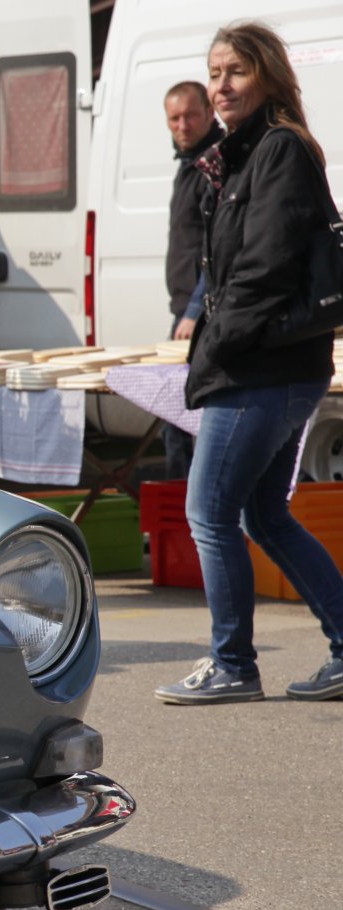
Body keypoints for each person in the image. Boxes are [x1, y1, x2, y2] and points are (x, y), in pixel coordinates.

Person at [155, 21, 343, 705]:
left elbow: (263, 270)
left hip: (263, 367)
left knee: (209, 512)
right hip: (270, 363)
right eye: (215, 74)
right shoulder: (240, 153)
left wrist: (212, 348)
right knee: (264, 516)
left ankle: (232, 664)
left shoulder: (279, 149)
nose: (221, 86)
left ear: (267, 75)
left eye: (235, 71)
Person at [159, 81, 222, 479]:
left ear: (209, 114)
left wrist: (195, 310)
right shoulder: (188, 164)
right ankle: (180, 497)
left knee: (178, 415)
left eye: (191, 116)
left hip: (203, 313)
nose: (182, 125)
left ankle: (187, 499)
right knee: (173, 416)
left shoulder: (213, 165)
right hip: (186, 308)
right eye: (174, 118)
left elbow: (217, 249)